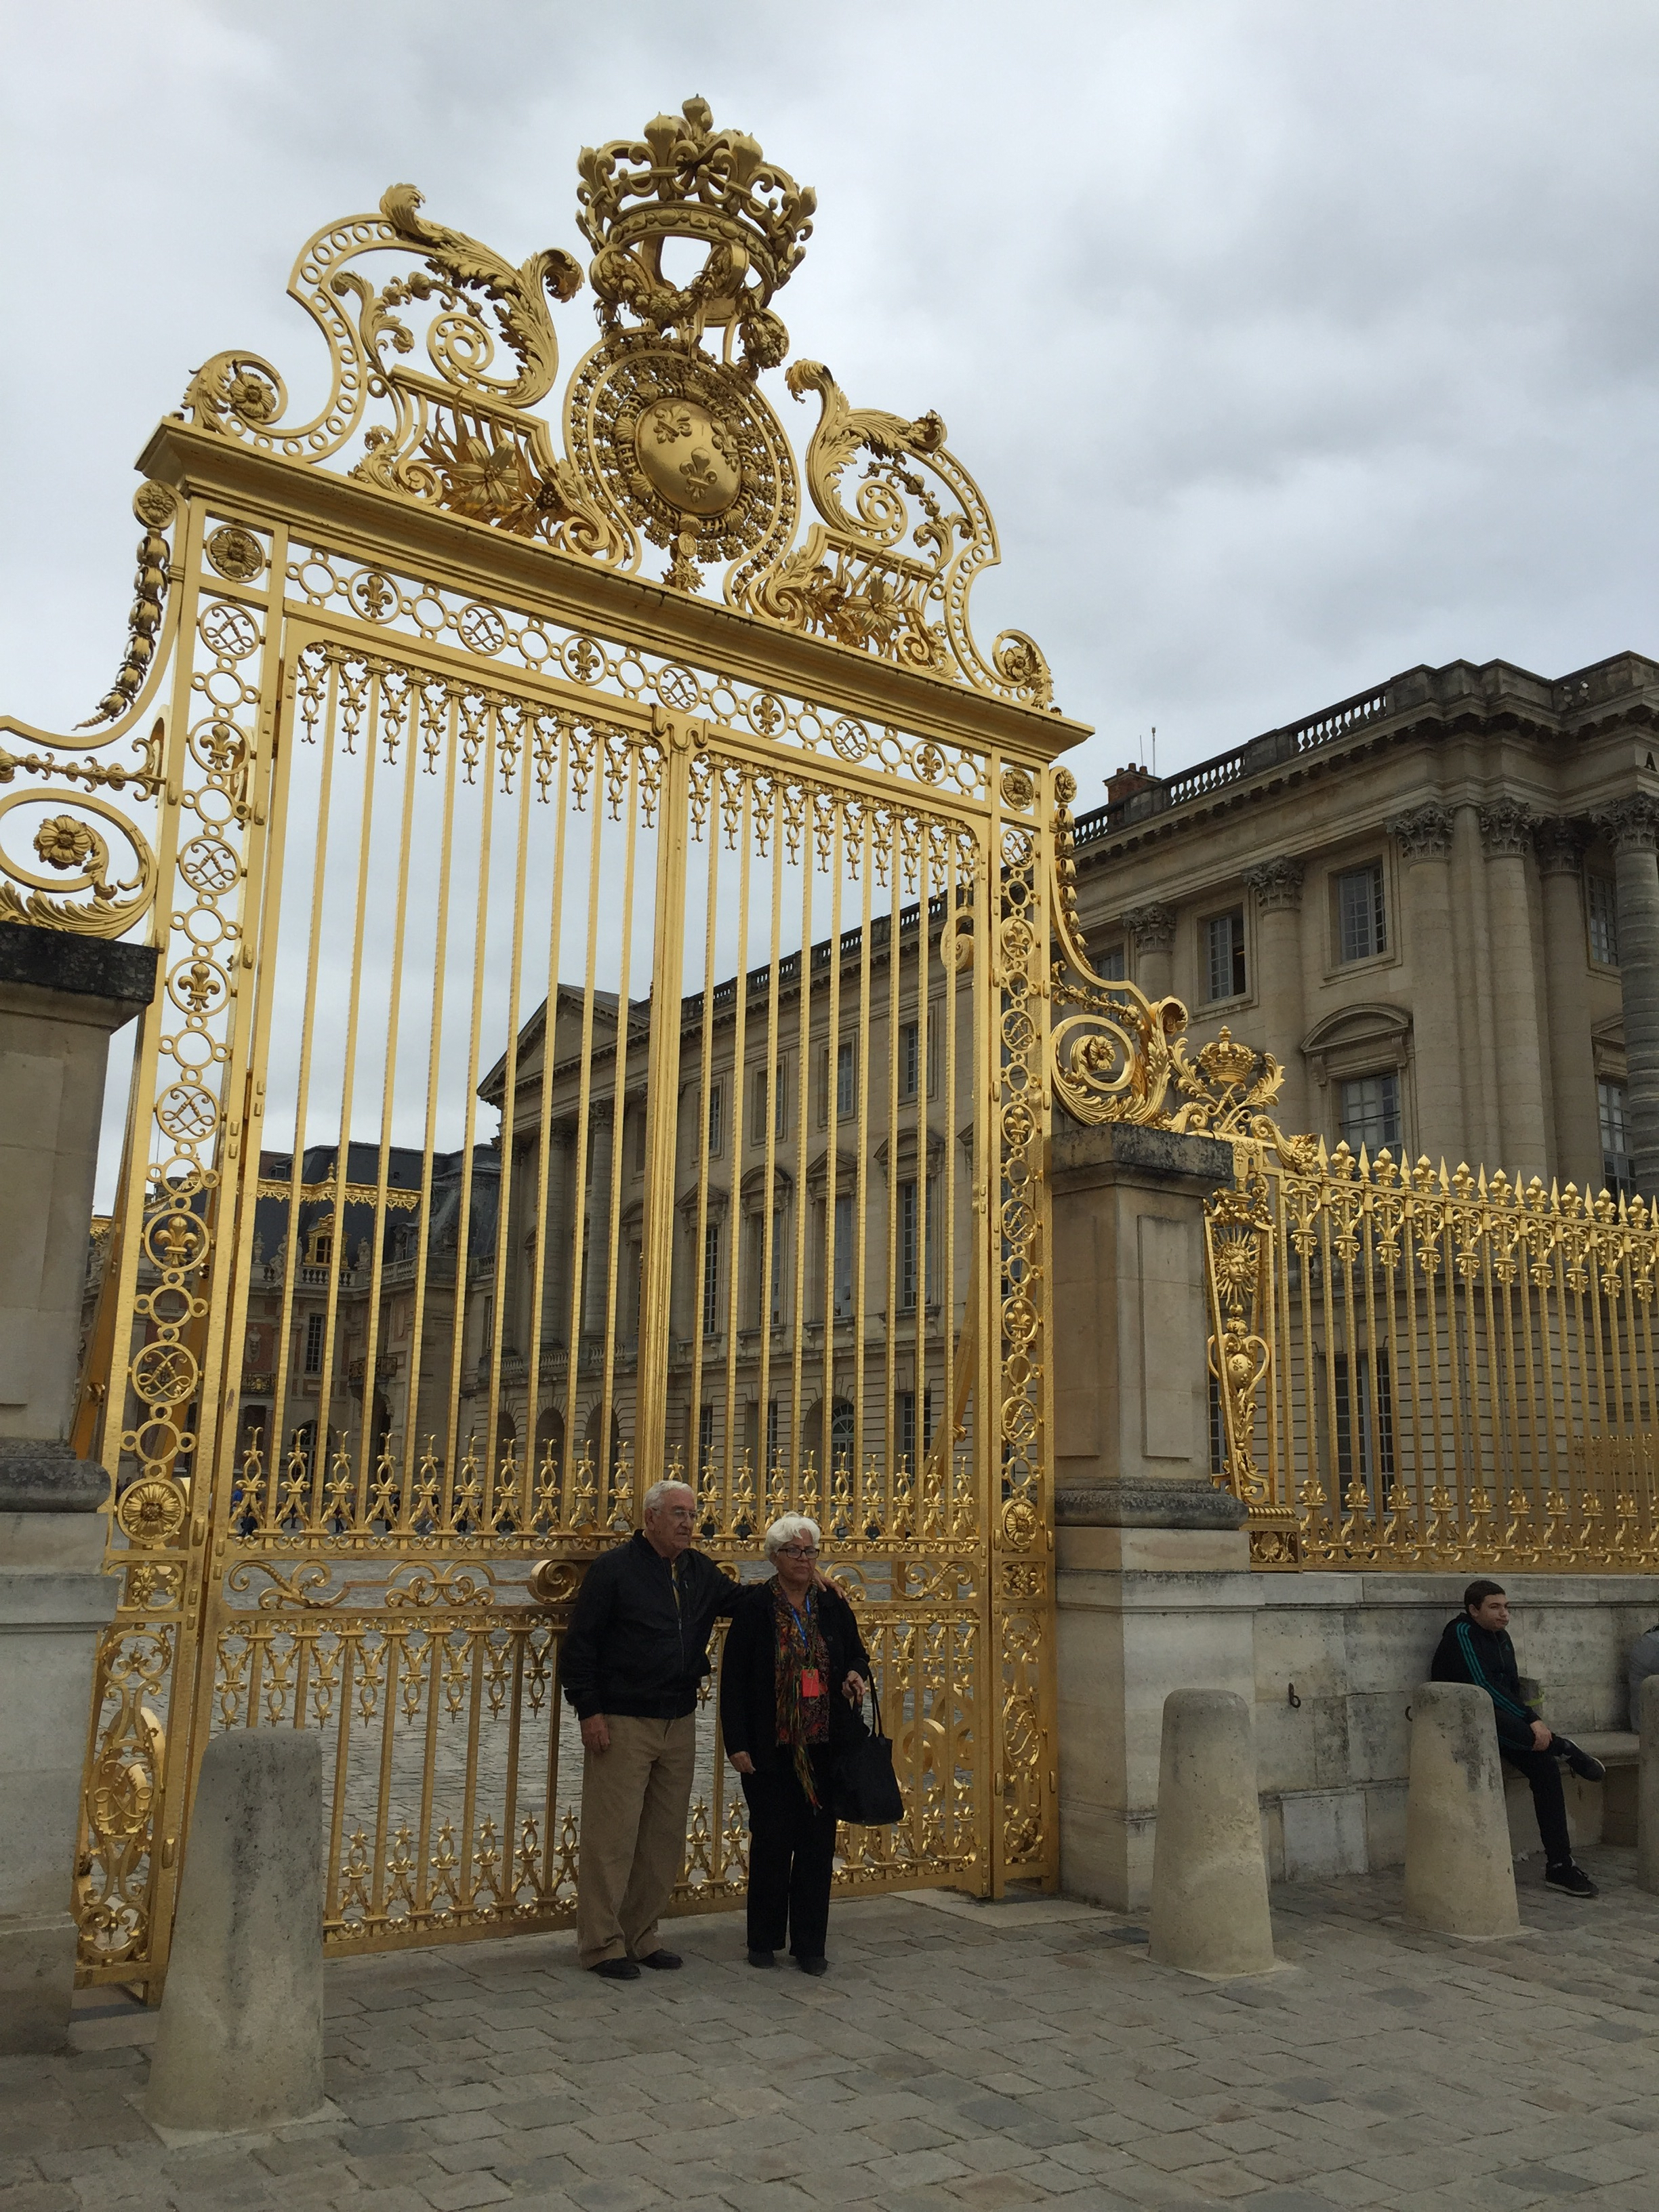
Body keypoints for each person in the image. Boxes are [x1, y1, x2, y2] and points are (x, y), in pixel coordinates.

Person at [560, 1477, 741, 1979]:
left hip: (678, 1718)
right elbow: (580, 1647)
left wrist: (802, 1578)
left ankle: (641, 1934)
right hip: (623, 1718)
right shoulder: (614, 1570)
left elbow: (746, 1605)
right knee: (611, 1837)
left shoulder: (698, 1571)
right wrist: (589, 1711)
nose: (689, 1523)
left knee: (663, 1837)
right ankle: (600, 1943)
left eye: (692, 1513)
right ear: (652, 1519)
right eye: (679, 1513)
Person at [720, 1513, 870, 1975]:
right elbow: (735, 1680)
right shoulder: (755, 1607)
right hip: (771, 1746)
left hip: (824, 1743)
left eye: (810, 1552)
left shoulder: (832, 1604)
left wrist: (853, 1675)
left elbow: (858, 1655)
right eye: (795, 1552)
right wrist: (737, 1742)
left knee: (816, 1846)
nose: (804, 1560)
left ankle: (810, 1944)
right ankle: (763, 1939)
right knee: (771, 1841)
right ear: (775, 1557)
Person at [1431, 1578, 1606, 1897]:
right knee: (1520, 1730)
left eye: (1506, 1607)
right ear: (1473, 1610)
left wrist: (1530, 1721)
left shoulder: (1502, 1638)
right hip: (1465, 1723)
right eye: (1495, 1607)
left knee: (1546, 1770)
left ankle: (1560, 1866)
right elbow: (1482, 1685)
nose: (1504, 1614)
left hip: (1505, 1726)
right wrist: (1532, 1720)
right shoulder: (1462, 1633)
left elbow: (1510, 1687)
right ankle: (1563, 1747)